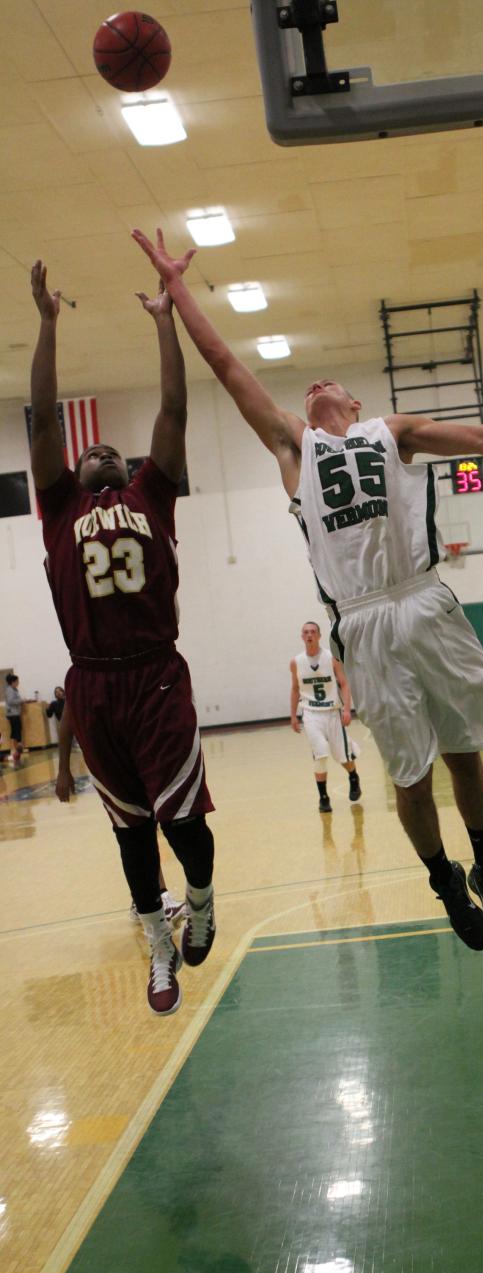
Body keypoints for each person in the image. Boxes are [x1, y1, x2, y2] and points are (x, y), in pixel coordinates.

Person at [133, 228, 483, 952]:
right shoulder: (296, 445)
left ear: (353, 404)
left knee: (466, 755)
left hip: (423, 597)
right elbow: (225, 363)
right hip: (363, 620)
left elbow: (478, 438)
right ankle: (445, 879)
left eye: (331, 384)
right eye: (309, 385)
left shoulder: (394, 433)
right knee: (410, 779)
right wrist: (179, 288)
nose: (317, 384)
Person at [30, 259, 216, 1016]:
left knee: (183, 819)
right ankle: (157, 942)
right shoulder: (57, 508)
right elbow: (43, 420)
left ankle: (200, 902)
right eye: (91, 450)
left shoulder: (153, 493)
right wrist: (46, 323)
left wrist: (166, 321)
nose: (104, 448)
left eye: (115, 449)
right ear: (74, 472)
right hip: (95, 682)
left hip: (155, 672)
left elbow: (173, 407)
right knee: (132, 834)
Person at [54, 699, 186, 928]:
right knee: (138, 832)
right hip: (110, 763)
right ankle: (157, 898)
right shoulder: (85, 672)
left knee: (145, 829)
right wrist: (63, 769)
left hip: (138, 753)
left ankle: (145, 898)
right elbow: (68, 716)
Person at [291, 619, 362, 813]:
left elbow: (344, 684)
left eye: (313, 631)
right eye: (305, 632)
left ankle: (353, 777)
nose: (309, 635)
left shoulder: (331, 658)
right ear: (302, 636)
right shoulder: (296, 662)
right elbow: (295, 689)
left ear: (319, 635)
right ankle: (324, 798)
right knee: (320, 754)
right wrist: (293, 716)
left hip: (333, 712)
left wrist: (347, 709)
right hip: (311, 714)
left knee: (342, 756)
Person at [4, 673, 23, 766]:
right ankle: (15, 750)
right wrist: (21, 701)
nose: (18, 683)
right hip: (12, 714)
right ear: (13, 682)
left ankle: (17, 750)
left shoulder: (14, 689)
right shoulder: (9, 690)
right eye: (17, 681)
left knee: (17, 731)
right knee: (15, 732)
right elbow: (11, 701)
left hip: (15, 713)